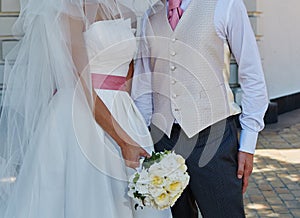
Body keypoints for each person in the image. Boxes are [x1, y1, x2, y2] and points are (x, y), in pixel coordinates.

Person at [0, 0, 172, 217]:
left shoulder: (128, 10)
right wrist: (122, 140)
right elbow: (81, 82)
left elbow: (129, 72)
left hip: (123, 111)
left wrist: (131, 122)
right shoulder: (69, 10)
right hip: (78, 116)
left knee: (128, 197)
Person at [132, 0, 269, 217]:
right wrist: (145, 145)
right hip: (163, 141)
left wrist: (248, 144)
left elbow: (252, 75)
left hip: (214, 138)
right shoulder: (150, 15)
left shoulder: (226, 5)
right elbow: (143, 86)